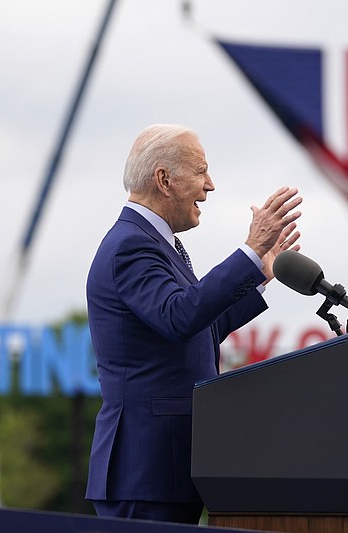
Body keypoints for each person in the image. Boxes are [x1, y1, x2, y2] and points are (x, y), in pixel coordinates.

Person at [85, 124, 302, 524]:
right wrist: (250, 251)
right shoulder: (131, 246)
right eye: (201, 171)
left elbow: (199, 328)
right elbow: (180, 316)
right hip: (143, 469)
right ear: (165, 180)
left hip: (165, 467)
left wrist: (261, 272)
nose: (210, 185)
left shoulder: (156, 243)